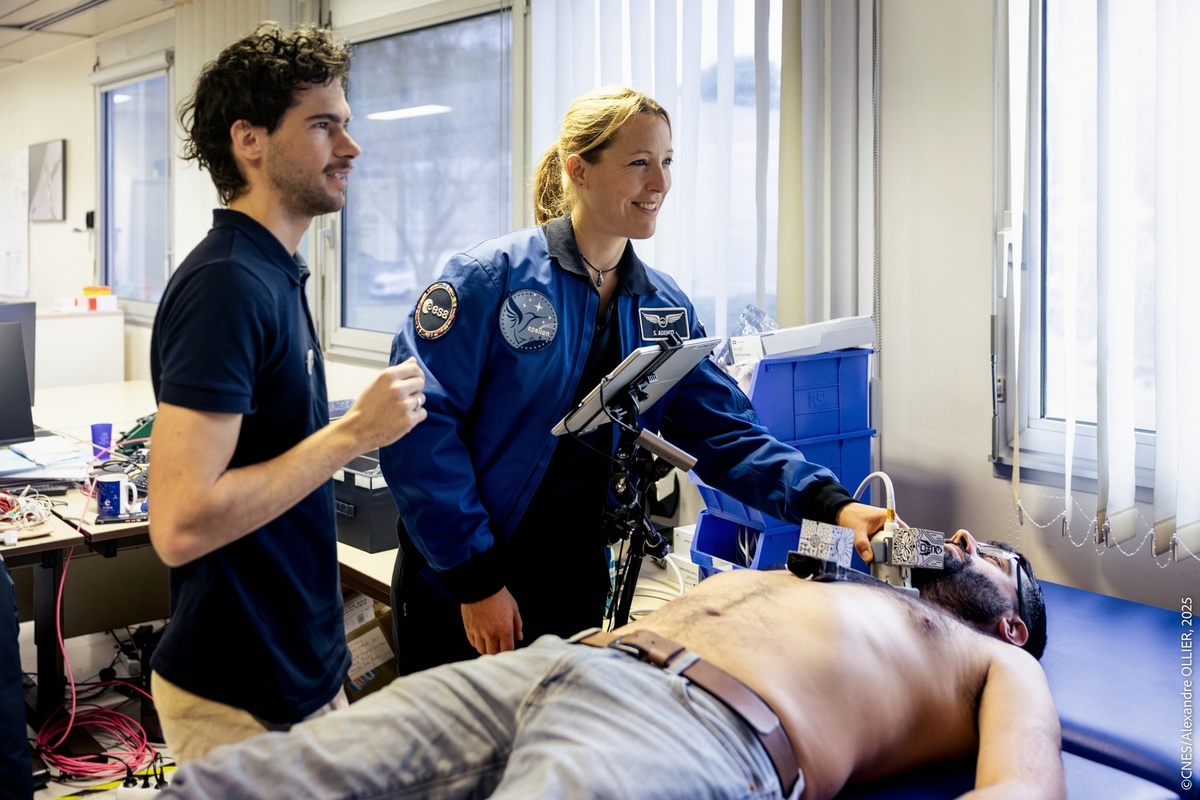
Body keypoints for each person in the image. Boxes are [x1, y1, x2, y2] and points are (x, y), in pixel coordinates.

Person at [378, 86, 890, 673]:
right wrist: (474, 580)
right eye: (639, 163)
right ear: (580, 170)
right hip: (466, 575)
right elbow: (419, 429)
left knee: (553, 749)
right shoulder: (488, 280)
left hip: (572, 577)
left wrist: (831, 504)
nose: (661, 183)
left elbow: (726, 433)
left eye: (667, 162)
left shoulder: (662, 305)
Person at [156, 530, 1062, 800]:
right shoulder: (854, 583)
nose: (963, 540)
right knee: (254, 782)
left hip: (700, 723)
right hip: (568, 664)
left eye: (992, 558)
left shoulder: (998, 666)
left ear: (1013, 622)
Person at [147, 22, 427, 763]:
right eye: (324, 125)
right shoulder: (227, 286)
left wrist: (324, 671)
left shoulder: (274, 272)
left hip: (294, 671)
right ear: (251, 140)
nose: (351, 146)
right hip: (237, 690)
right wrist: (352, 434)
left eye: (348, 123)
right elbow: (179, 524)